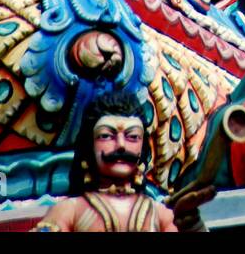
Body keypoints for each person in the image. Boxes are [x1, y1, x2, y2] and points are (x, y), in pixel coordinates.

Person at [33, 92, 185, 232]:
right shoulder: (71, 211)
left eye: (132, 136)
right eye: (106, 136)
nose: (121, 145)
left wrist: (193, 222)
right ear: (89, 146)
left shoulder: (159, 214)